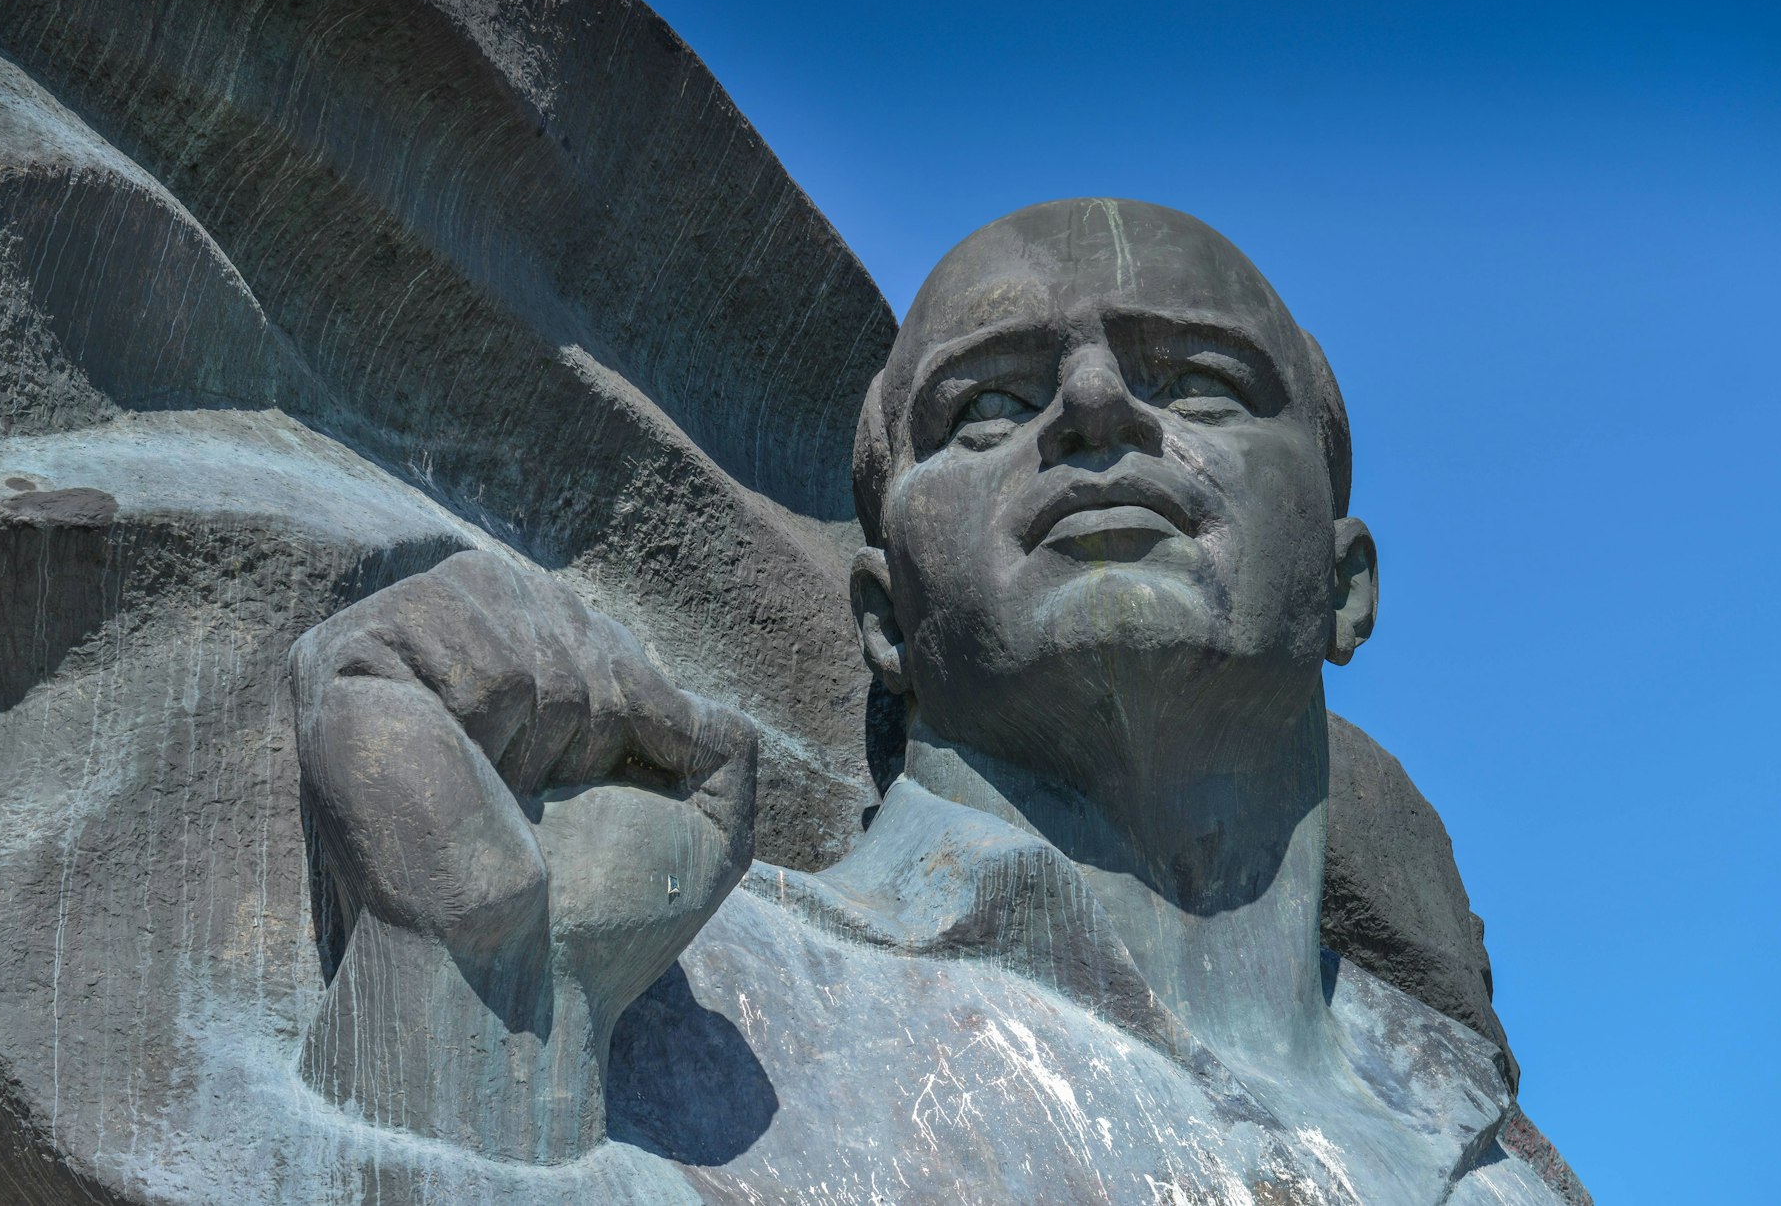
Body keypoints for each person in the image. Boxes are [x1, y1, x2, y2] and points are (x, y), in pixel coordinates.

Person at [292, 198, 1573, 1204]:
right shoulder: (667, 986)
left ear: (1346, 586)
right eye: (987, 408)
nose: (1091, 408)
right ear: (882, 620)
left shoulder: (1493, 1166)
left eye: (1197, 384)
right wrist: (468, 1001)